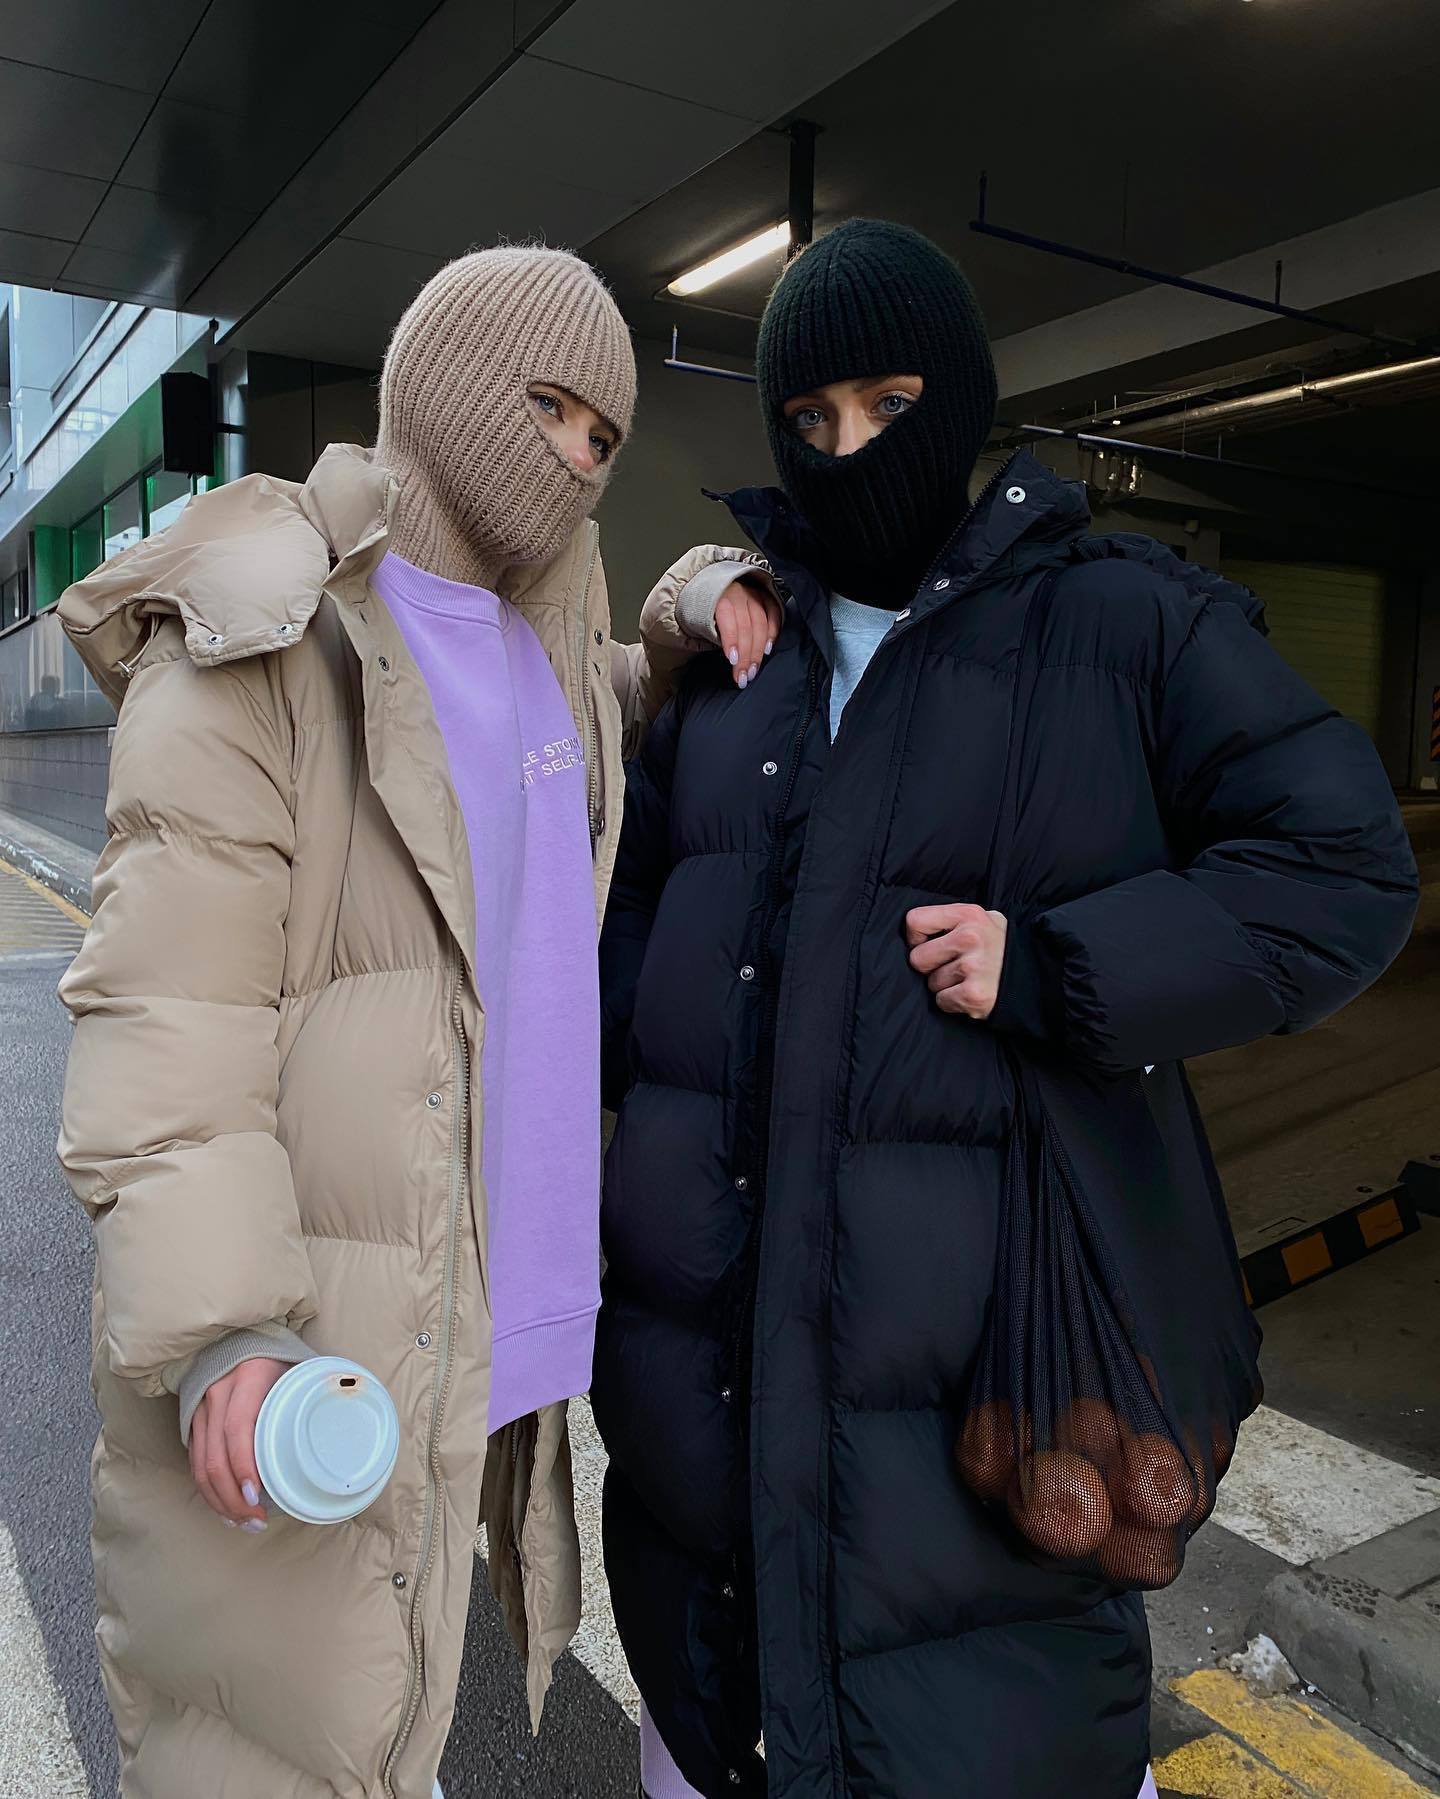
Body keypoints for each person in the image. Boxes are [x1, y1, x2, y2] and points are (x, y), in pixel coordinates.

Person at [593, 220, 1419, 1798]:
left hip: (994, 1497)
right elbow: (619, 974)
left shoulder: (1119, 625)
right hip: (708, 1559)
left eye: (891, 405)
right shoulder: (734, 681)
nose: (849, 451)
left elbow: (1341, 869)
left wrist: (1061, 968)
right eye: (810, 418)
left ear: (961, 402)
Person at [55, 244, 780, 1799]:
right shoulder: (264, 636)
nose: (576, 459)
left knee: (394, 1733)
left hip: (485, 1334)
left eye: (605, 435)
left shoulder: (545, 650)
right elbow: (167, 1016)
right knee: (286, 1754)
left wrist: (693, 598)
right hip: (316, 1345)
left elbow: (620, 692)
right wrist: (222, 1328)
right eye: (550, 408)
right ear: (443, 384)